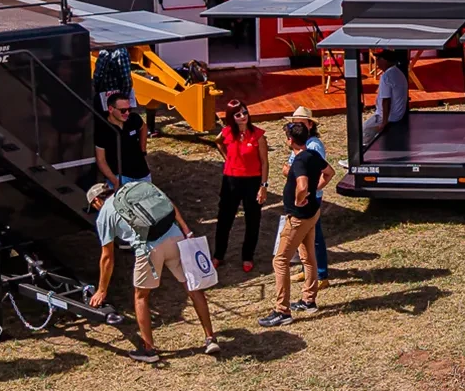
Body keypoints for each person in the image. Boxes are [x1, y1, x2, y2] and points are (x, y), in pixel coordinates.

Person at [86, 183, 219, 361]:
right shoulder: (135, 188)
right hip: (174, 236)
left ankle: (149, 349)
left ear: (96, 201)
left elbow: (107, 257)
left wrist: (102, 290)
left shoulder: (104, 215)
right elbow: (168, 203)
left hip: (148, 249)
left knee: (141, 297)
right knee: (193, 287)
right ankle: (210, 338)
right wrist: (186, 229)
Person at [260, 121, 327, 327]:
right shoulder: (314, 155)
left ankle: (282, 310)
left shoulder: (299, 161)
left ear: (290, 140)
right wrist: (315, 192)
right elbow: (330, 173)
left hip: (298, 217)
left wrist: (300, 198)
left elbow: (302, 184)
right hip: (312, 212)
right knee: (308, 256)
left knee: (280, 261)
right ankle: (309, 299)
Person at [216, 99, 268, 272]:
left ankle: (248, 256)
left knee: (252, 220)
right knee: (225, 218)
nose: (243, 116)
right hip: (231, 180)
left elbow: (264, 163)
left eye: (245, 112)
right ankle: (218, 255)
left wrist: (263, 186)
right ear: (232, 117)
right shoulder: (227, 132)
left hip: (252, 181)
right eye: (238, 114)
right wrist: (228, 160)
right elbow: (219, 141)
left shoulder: (258, 135)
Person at [286, 107, 335, 282]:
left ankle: (321, 275)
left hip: (309, 197)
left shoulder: (313, 145)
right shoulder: (300, 143)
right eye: (295, 122)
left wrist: (314, 190)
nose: (297, 125)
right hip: (302, 195)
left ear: (309, 124)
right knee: (304, 236)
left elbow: (322, 170)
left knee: (315, 236)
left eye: (300, 122)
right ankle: (308, 270)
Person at [96, 91, 151, 186]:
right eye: (123, 111)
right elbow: (101, 159)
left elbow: (143, 127)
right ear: (110, 109)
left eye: (129, 109)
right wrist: (114, 181)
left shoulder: (134, 119)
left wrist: (143, 149)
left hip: (142, 174)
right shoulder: (102, 129)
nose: (127, 113)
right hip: (121, 177)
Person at [362, 50, 409, 144]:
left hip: (388, 116)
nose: (377, 62)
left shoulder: (386, 76)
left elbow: (386, 100)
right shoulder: (399, 73)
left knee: (364, 130)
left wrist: (384, 122)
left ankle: (361, 154)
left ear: (385, 60)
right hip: (398, 115)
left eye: (378, 59)